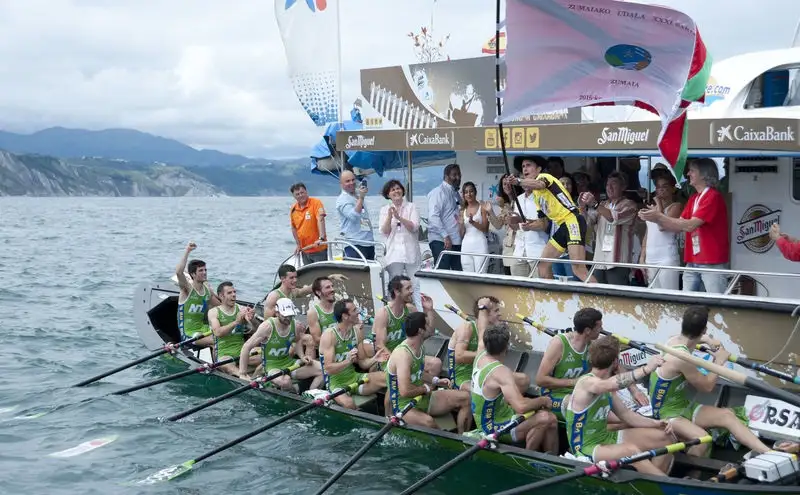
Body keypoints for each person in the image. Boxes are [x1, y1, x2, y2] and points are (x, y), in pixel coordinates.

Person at [649, 306, 771, 457]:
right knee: (703, 440)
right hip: (667, 414)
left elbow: (692, 338)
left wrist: (707, 340)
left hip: (684, 406)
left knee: (727, 415)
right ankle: (691, 476)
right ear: (704, 329)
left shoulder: (673, 340)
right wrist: (718, 362)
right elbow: (707, 386)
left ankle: (769, 453)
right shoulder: (681, 358)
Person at [565, 336, 675, 475]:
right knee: (632, 452)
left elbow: (626, 415)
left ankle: (652, 484)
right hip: (585, 447)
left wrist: (657, 423)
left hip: (606, 437)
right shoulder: (588, 383)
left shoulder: (606, 387)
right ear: (616, 362)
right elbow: (611, 383)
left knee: (665, 437)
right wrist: (646, 369)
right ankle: (664, 483)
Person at [535, 308, 648, 422]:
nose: (602, 330)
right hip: (555, 397)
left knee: (612, 398)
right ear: (588, 330)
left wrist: (634, 390)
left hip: (584, 393)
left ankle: (632, 420)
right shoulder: (559, 344)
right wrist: (574, 382)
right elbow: (540, 380)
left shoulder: (593, 344)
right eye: (599, 327)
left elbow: (616, 366)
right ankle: (630, 421)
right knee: (595, 406)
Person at [639, 158, 729, 294]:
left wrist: (658, 217)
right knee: (686, 305)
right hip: (692, 260)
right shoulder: (694, 198)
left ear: (704, 174)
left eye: (692, 171)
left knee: (715, 305)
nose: (688, 174)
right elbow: (676, 225)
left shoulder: (713, 196)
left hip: (711, 262)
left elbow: (690, 225)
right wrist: (653, 217)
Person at [507, 156, 596, 283]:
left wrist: (518, 181)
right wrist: (523, 221)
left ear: (538, 169)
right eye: (523, 166)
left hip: (572, 220)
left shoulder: (544, 177)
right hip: (562, 226)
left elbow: (539, 184)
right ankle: (551, 299)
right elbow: (543, 222)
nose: (525, 169)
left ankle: (602, 300)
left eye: (528, 165)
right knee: (543, 265)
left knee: (578, 269)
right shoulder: (536, 197)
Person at [471, 324, 559, 452]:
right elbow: (521, 406)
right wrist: (543, 401)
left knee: (545, 419)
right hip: (493, 428)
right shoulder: (501, 372)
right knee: (548, 418)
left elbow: (482, 326)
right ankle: (529, 458)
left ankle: (545, 456)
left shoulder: (480, 354)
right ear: (507, 347)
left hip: (495, 416)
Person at [386, 312, 472, 433]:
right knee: (430, 423)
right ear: (421, 330)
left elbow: (418, 373)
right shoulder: (403, 355)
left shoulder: (419, 346)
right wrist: (425, 388)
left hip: (423, 398)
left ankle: (463, 438)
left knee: (466, 398)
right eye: (427, 324)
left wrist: (435, 380)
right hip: (403, 406)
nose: (431, 327)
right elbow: (405, 391)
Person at [447, 296, 530, 393]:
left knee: (523, 380)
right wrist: (488, 355)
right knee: (483, 391)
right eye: (496, 311)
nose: (500, 314)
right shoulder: (467, 327)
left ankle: (504, 405)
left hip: (484, 373)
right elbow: (459, 356)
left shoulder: (493, 331)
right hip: (463, 377)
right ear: (485, 313)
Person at [238, 298, 323, 391]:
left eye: (291, 315)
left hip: (289, 363)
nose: (288, 319)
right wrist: (242, 374)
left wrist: (302, 356)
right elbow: (246, 347)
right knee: (285, 381)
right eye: (285, 315)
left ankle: (310, 394)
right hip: (271, 367)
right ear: (277, 313)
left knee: (323, 370)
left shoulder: (294, 325)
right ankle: (294, 390)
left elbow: (297, 341)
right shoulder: (267, 326)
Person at [319, 299, 387, 409]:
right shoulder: (329, 335)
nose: (358, 312)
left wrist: (375, 358)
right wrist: (348, 361)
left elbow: (363, 363)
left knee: (390, 379)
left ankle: (389, 417)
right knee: (349, 404)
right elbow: (328, 369)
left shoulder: (357, 331)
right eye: (355, 310)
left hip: (354, 378)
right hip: (335, 384)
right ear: (345, 316)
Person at [372, 275, 443, 376]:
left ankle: (425, 390)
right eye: (408, 288)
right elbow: (379, 346)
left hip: (409, 355)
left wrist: (429, 310)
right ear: (397, 292)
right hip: (389, 360)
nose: (412, 291)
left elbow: (428, 333)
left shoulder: (411, 310)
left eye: (411, 287)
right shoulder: (383, 314)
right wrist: (399, 361)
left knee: (436, 364)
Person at [580, 172, 638, 286]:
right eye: (607, 184)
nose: (609, 187)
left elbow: (613, 217)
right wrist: (582, 206)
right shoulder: (603, 204)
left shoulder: (630, 205)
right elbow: (587, 222)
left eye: (614, 184)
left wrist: (594, 204)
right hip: (600, 260)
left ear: (623, 187)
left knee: (617, 298)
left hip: (617, 261)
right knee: (598, 297)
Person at [379, 179, 422, 307]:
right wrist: (389, 217)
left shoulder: (411, 207)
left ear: (402, 190)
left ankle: (420, 313)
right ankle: (393, 312)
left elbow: (414, 227)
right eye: (392, 190)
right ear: (388, 194)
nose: (396, 191)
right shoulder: (384, 209)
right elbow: (384, 232)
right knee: (394, 285)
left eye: (398, 188)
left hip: (411, 251)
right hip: (394, 253)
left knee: (415, 284)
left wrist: (399, 217)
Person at [207, 282, 258, 376]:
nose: (234, 295)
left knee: (267, 357)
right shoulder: (214, 312)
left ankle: (254, 377)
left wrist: (252, 319)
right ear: (221, 296)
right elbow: (218, 332)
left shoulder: (241, 309)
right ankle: (245, 378)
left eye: (234, 292)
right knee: (228, 366)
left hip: (242, 351)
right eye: (229, 293)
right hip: (225, 354)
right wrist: (236, 322)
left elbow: (256, 332)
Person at [640, 174, 682, 290]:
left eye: (665, 186)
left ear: (673, 188)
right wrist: (642, 257)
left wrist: (658, 202)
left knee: (669, 295)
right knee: (654, 298)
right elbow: (647, 234)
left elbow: (662, 226)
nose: (661, 189)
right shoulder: (652, 209)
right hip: (651, 257)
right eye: (658, 187)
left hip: (666, 257)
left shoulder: (676, 206)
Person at [175, 242, 220, 347]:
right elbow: (178, 272)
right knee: (217, 341)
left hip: (204, 328)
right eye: (201, 271)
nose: (204, 272)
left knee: (228, 335)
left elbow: (220, 307)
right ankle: (220, 362)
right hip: (189, 334)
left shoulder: (207, 290)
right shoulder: (187, 289)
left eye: (205, 270)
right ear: (193, 274)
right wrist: (187, 251)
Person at [427, 163, 463, 271]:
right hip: (442, 241)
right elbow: (433, 217)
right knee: (443, 273)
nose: (458, 177)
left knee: (458, 274)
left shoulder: (455, 192)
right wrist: (445, 236)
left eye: (459, 174)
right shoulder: (437, 192)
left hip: (456, 240)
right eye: (454, 175)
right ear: (446, 176)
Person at [336, 170, 375, 260]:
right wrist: (361, 198)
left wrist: (360, 196)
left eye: (353, 180)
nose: (352, 183)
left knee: (369, 273)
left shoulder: (356, 195)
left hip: (368, 242)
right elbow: (353, 216)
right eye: (347, 181)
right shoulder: (342, 199)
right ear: (341, 184)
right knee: (357, 273)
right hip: (354, 244)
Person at [484, 174, 518, 275]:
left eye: (509, 183)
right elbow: (498, 225)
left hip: (519, 246)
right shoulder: (506, 204)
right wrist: (490, 211)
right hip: (508, 247)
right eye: (504, 184)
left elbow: (517, 218)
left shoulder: (521, 200)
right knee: (508, 277)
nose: (506, 185)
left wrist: (504, 206)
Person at [289, 182, 328, 265]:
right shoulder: (293, 209)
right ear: (294, 196)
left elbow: (320, 219)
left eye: (302, 192)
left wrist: (321, 237)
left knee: (320, 275)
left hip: (318, 248)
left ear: (306, 192)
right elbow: (294, 228)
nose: (300, 195)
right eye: (297, 194)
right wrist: (298, 245)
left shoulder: (316, 203)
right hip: (305, 250)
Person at [458, 181, 490, 273]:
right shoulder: (462, 210)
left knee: (481, 275)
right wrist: (460, 224)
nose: (469, 194)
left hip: (480, 245)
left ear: (475, 192)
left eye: (471, 191)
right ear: (463, 195)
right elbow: (461, 234)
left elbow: (485, 229)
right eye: (466, 192)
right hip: (466, 246)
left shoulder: (482, 207)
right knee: (467, 277)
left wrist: (473, 222)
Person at [306, 276, 336, 348]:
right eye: (328, 287)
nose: (332, 289)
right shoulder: (313, 312)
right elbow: (317, 340)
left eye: (332, 286)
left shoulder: (340, 307)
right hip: (327, 349)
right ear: (318, 292)